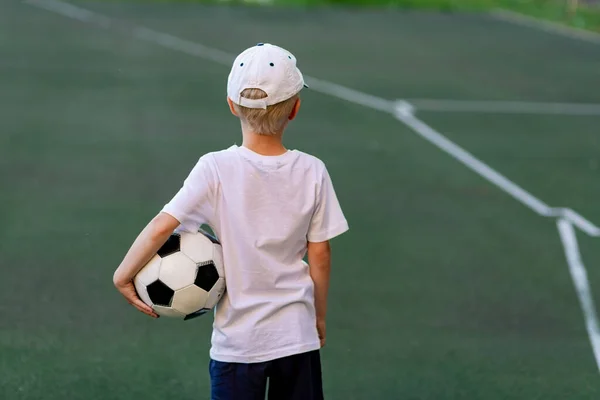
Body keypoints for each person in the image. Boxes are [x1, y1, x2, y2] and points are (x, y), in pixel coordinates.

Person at [112, 43, 349, 400]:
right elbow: (320, 255)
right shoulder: (313, 171)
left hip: (238, 344)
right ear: (295, 109)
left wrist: (123, 275)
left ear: (231, 105)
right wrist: (317, 317)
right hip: (296, 338)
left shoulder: (215, 168)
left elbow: (163, 225)